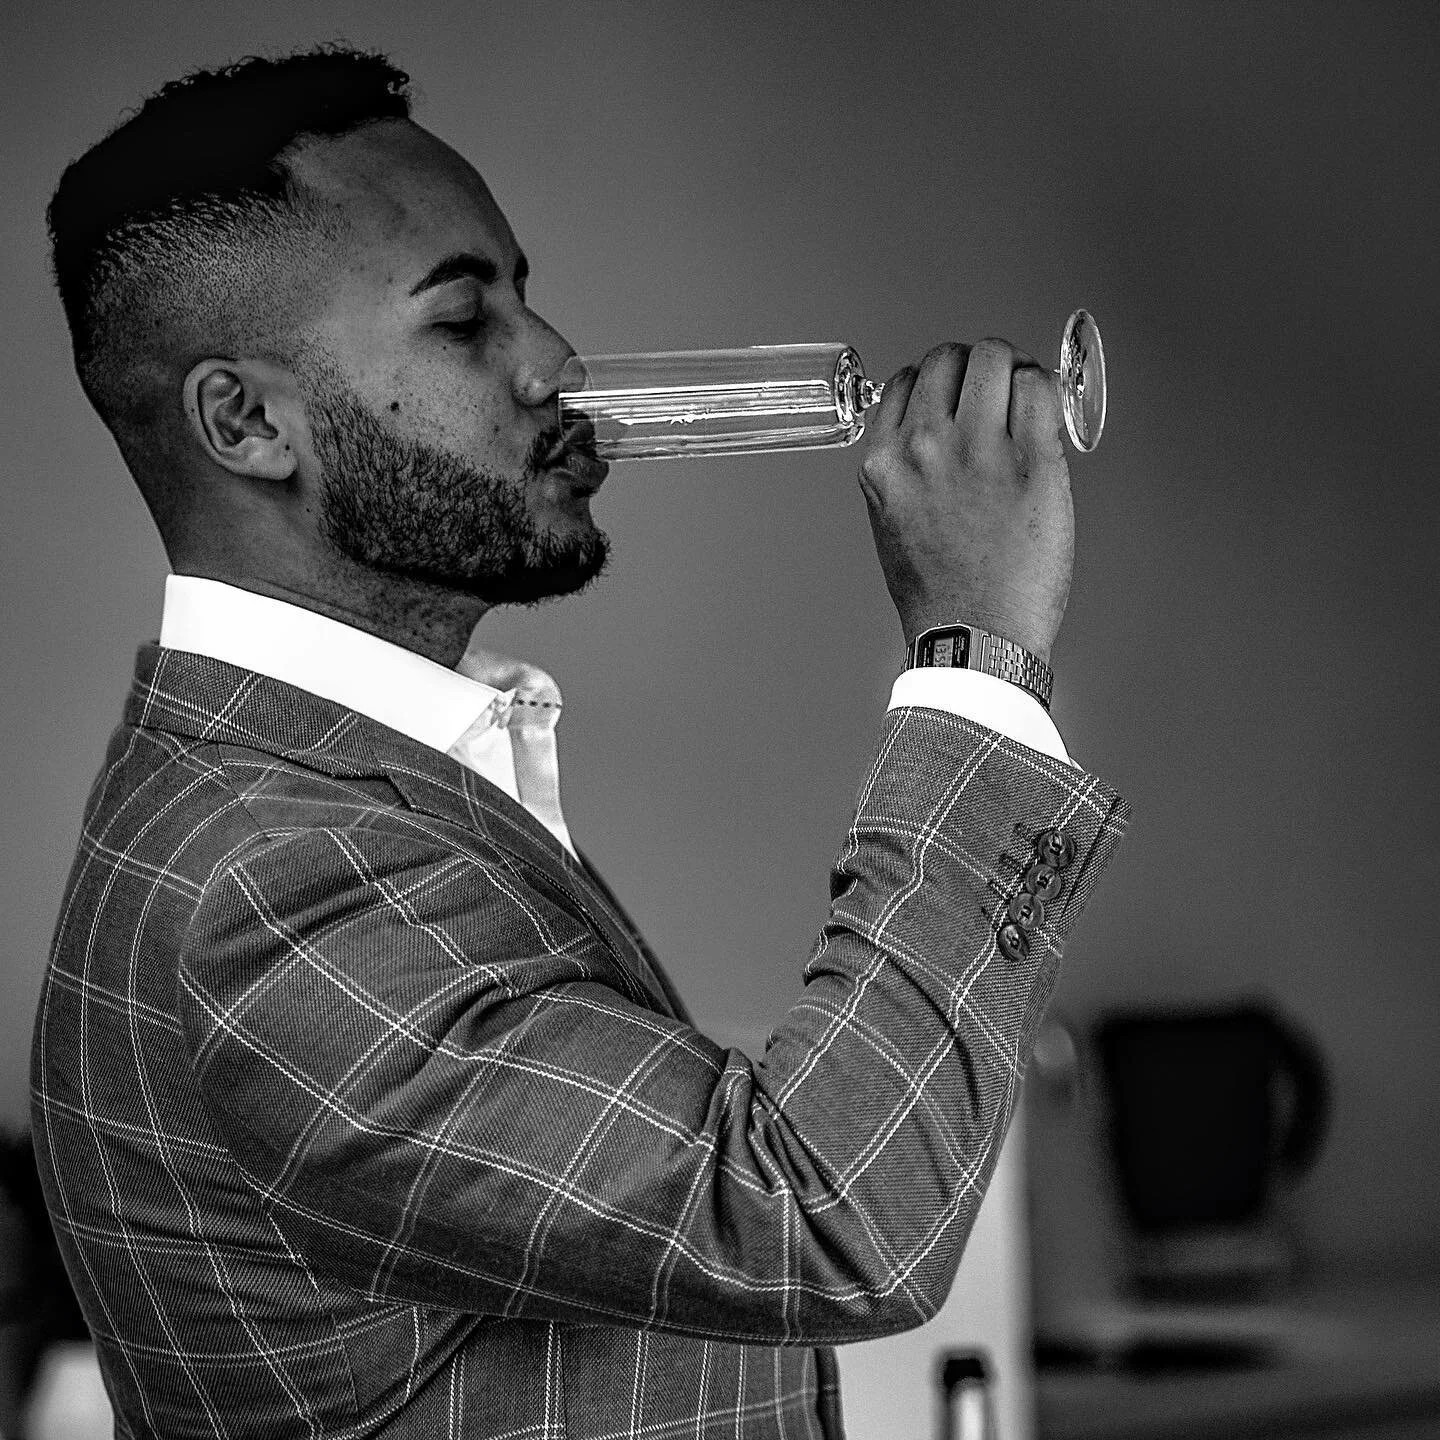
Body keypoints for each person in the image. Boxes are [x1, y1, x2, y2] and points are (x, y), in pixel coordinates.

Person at [31, 45, 1129, 1440]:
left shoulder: (328, 798)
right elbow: (819, 1212)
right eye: (461, 321)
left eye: (526, 298)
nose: (554, 364)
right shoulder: (269, 883)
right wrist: (975, 656)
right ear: (247, 422)